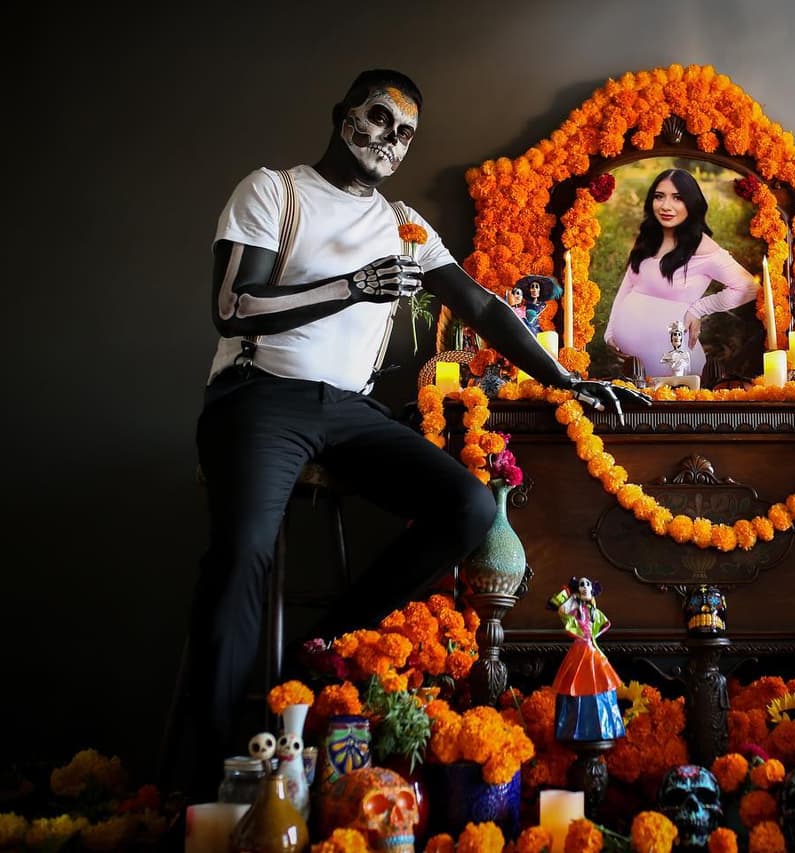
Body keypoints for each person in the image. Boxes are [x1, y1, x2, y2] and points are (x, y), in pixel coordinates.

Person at [183, 68, 646, 799]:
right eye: (378, 119)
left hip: (349, 408)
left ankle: (316, 654)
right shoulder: (275, 190)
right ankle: (206, 778)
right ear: (343, 117)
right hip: (259, 395)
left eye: (404, 134)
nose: (389, 141)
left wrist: (562, 378)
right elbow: (233, 304)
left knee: (465, 507)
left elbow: (485, 309)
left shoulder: (402, 225)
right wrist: (353, 286)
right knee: (243, 553)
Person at [603, 168, 759, 377]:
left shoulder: (702, 246)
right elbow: (629, 284)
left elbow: (748, 287)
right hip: (633, 368)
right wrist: (610, 331)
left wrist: (699, 309)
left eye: (677, 198)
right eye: (659, 197)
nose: (666, 206)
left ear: (692, 204)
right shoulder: (648, 238)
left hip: (674, 366)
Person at [548, 576, 627, 742]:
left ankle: (603, 729)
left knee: (601, 684)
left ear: (592, 590)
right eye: (581, 585)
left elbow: (603, 624)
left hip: (591, 649)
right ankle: (574, 729)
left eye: (587, 585)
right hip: (579, 650)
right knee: (575, 686)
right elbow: (562, 610)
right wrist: (570, 597)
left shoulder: (594, 612)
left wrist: (593, 637)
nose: (584, 587)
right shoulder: (574, 609)